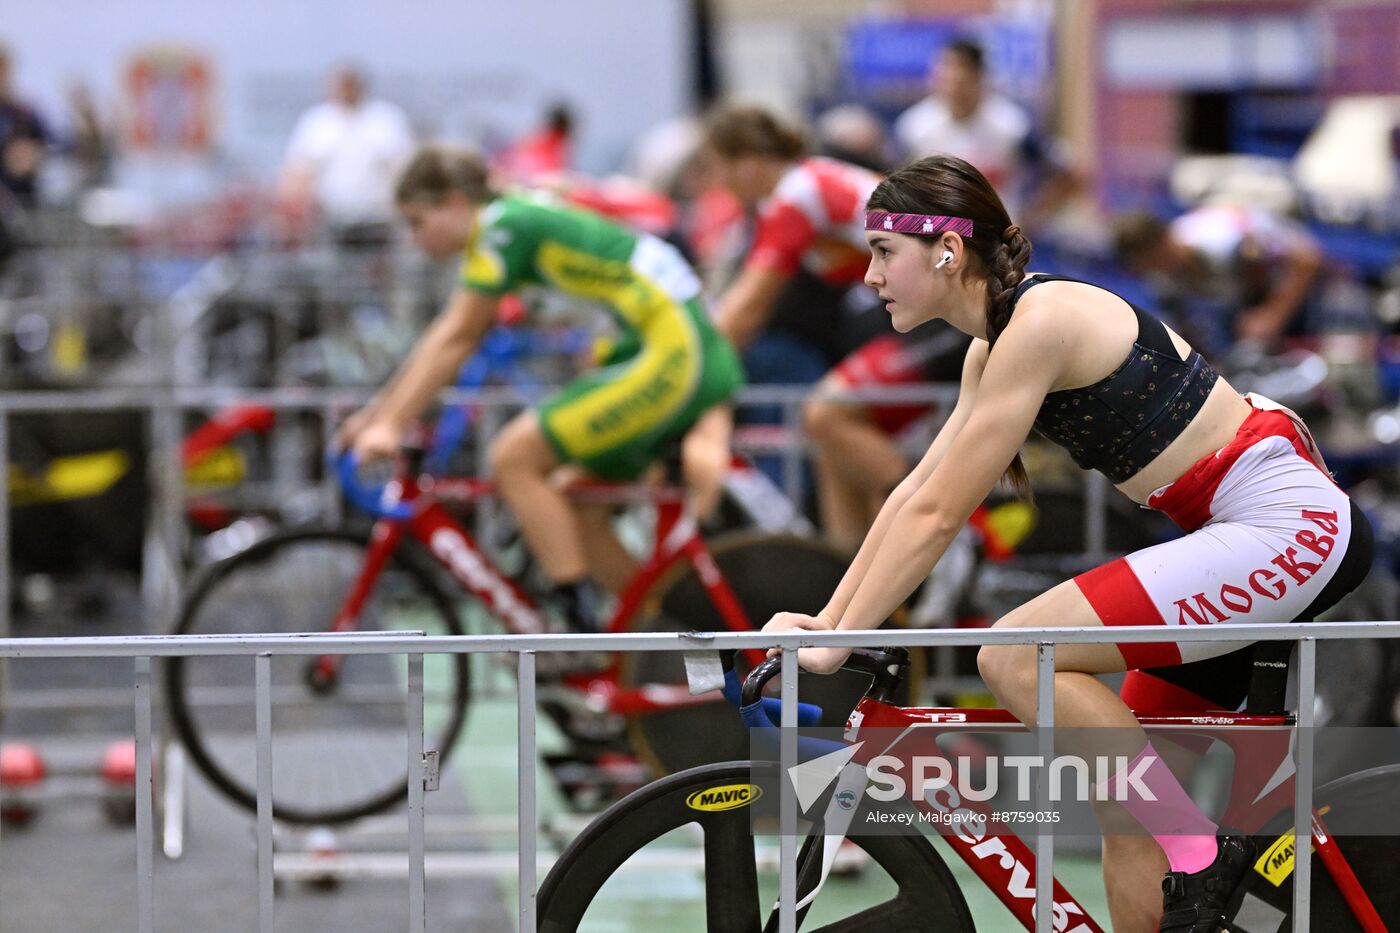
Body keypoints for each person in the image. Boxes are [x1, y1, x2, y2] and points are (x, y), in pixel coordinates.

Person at [761, 154, 1372, 932]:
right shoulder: (994, 345)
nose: (869, 275)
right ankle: (1190, 861)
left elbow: (940, 515)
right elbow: (914, 491)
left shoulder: (1039, 322)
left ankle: (1204, 858)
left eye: (884, 252)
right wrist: (829, 622)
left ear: (947, 250)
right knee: (1130, 804)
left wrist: (838, 640)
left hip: (1285, 528)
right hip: (1242, 528)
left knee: (1015, 653)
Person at [338, 146, 744, 631]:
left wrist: (390, 423)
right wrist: (378, 417)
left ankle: (571, 631)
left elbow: (457, 336)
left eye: (417, 221)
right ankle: (660, 638)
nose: (414, 239)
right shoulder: (511, 215)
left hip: (675, 351)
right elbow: (446, 334)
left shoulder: (501, 224)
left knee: (513, 457)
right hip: (668, 344)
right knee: (575, 504)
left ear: (453, 201)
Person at [697, 104, 970, 550]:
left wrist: (688, 370)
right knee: (832, 449)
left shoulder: (794, 195)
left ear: (746, 162)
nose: (719, 185)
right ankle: (850, 592)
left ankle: (951, 538)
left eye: (718, 169)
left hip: (953, 310)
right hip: (935, 305)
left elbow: (747, 310)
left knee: (824, 412)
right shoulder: (805, 181)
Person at [893, 38, 1075, 228]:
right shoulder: (914, 128)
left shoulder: (1010, 126)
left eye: (962, 80)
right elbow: (893, 186)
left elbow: (1065, 172)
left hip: (996, 242)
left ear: (979, 78)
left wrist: (1032, 218)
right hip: (938, 241)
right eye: (946, 77)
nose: (954, 88)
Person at [1114, 204, 1323, 350]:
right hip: (1240, 297)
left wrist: (1272, 315)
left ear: (1166, 240)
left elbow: (1306, 259)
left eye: (1158, 258)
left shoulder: (1226, 244)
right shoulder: (1161, 279)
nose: (1158, 268)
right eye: (1148, 266)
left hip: (1298, 283)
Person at [278, 65, 415, 249]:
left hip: (379, 221)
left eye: (352, 85)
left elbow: (404, 169)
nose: (348, 90)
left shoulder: (386, 120)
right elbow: (298, 171)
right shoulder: (317, 121)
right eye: (343, 85)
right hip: (330, 221)